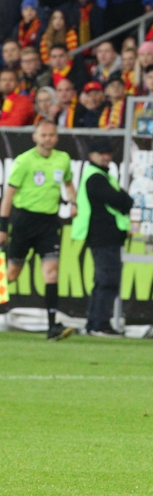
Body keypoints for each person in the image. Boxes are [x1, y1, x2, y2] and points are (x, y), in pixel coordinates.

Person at [0, 120, 76, 340]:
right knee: (11, 274)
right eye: (43, 135)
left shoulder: (62, 159)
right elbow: (9, 196)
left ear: (57, 137)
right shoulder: (24, 161)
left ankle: (53, 327)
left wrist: (73, 202)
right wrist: (3, 227)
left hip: (49, 223)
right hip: (24, 221)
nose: (48, 139)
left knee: (51, 272)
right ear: (35, 137)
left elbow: (68, 183)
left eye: (51, 135)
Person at [70, 137, 133, 337]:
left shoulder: (101, 175)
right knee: (107, 280)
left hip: (104, 236)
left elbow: (123, 200)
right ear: (91, 155)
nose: (106, 157)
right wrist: (124, 201)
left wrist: (124, 200)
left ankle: (95, 323)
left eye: (108, 153)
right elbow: (120, 200)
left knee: (104, 280)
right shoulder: (96, 177)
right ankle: (99, 324)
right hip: (103, 235)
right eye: (101, 153)